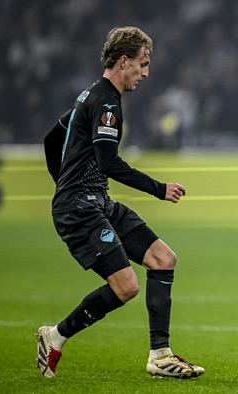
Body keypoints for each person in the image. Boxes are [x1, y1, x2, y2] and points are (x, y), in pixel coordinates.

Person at [38, 26, 204, 379]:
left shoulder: (89, 95)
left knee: (163, 259)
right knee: (127, 286)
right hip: (80, 208)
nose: (145, 73)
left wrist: (63, 181)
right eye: (142, 64)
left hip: (95, 201)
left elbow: (53, 138)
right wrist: (158, 188)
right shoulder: (107, 101)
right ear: (123, 61)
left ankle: (160, 355)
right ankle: (55, 336)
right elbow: (108, 163)